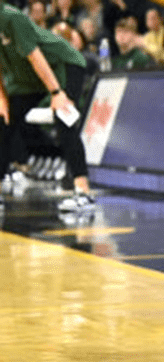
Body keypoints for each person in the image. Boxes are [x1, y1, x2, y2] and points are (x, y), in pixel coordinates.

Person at [0, 0, 93, 211]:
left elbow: (36, 57)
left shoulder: (12, 18)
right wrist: (3, 100)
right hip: (27, 78)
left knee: (64, 118)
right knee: (4, 122)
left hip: (62, 64)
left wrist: (56, 93)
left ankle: (83, 192)